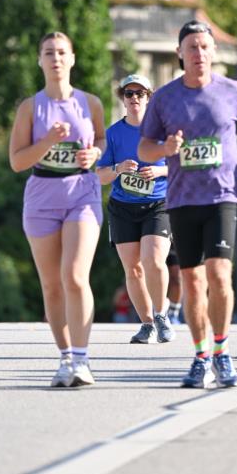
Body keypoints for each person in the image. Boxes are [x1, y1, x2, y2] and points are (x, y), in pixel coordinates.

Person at [138, 20, 237, 388]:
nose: (199, 53)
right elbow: (144, 147)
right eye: (192, 47)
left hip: (223, 196)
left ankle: (222, 352)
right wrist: (164, 150)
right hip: (182, 200)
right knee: (193, 283)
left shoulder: (232, 91)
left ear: (214, 53)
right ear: (180, 53)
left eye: (204, 47)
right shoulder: (165, 98)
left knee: (219, 275)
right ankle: (200, 357)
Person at [9, 31, 105, 387]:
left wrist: (95, 153)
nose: (56, 59)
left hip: (82, 193)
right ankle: (66, 357)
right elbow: (17, 161)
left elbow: (101, 139)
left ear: (73, 58)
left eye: (62, 52)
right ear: (40, 60)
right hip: (42, 197)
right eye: (48, 53)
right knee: (51, 286)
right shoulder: (30, 108)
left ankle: (82, 359)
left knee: (75, 276)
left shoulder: (90, 103)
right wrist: (48, 141)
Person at [96, 74, 174, 344]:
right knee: (133, 269)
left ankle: (162, 315)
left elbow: (181, 166)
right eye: (129, 94)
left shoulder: (162, 131)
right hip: (123, 207)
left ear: (149, 98)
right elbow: (100, 175)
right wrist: (118, 169)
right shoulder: (114, 133)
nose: (134, 98)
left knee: (154, 260)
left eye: (140, 93)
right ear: (123, 99)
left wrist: (160, 169)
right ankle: (147, 323)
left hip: (158, 204)